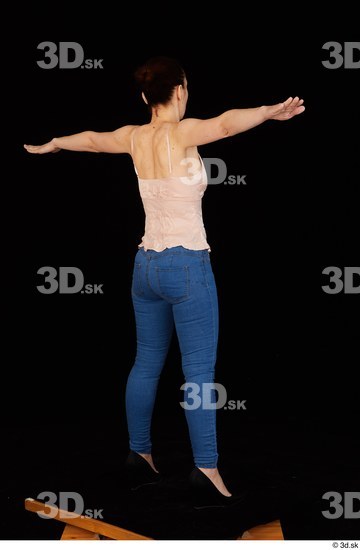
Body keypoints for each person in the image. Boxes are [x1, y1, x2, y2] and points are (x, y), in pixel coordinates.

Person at [24, 56, 305, 506]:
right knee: (197, 373)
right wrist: (270, 111)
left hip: (145, 268)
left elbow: (94, 140)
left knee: (146, 362)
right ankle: (206, 469)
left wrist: (56, 142)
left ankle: (140, 456)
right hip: (187, 266)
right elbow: (228, 124)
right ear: (180, 91)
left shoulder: (135, 137)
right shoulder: (181, 131)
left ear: (143, 97)